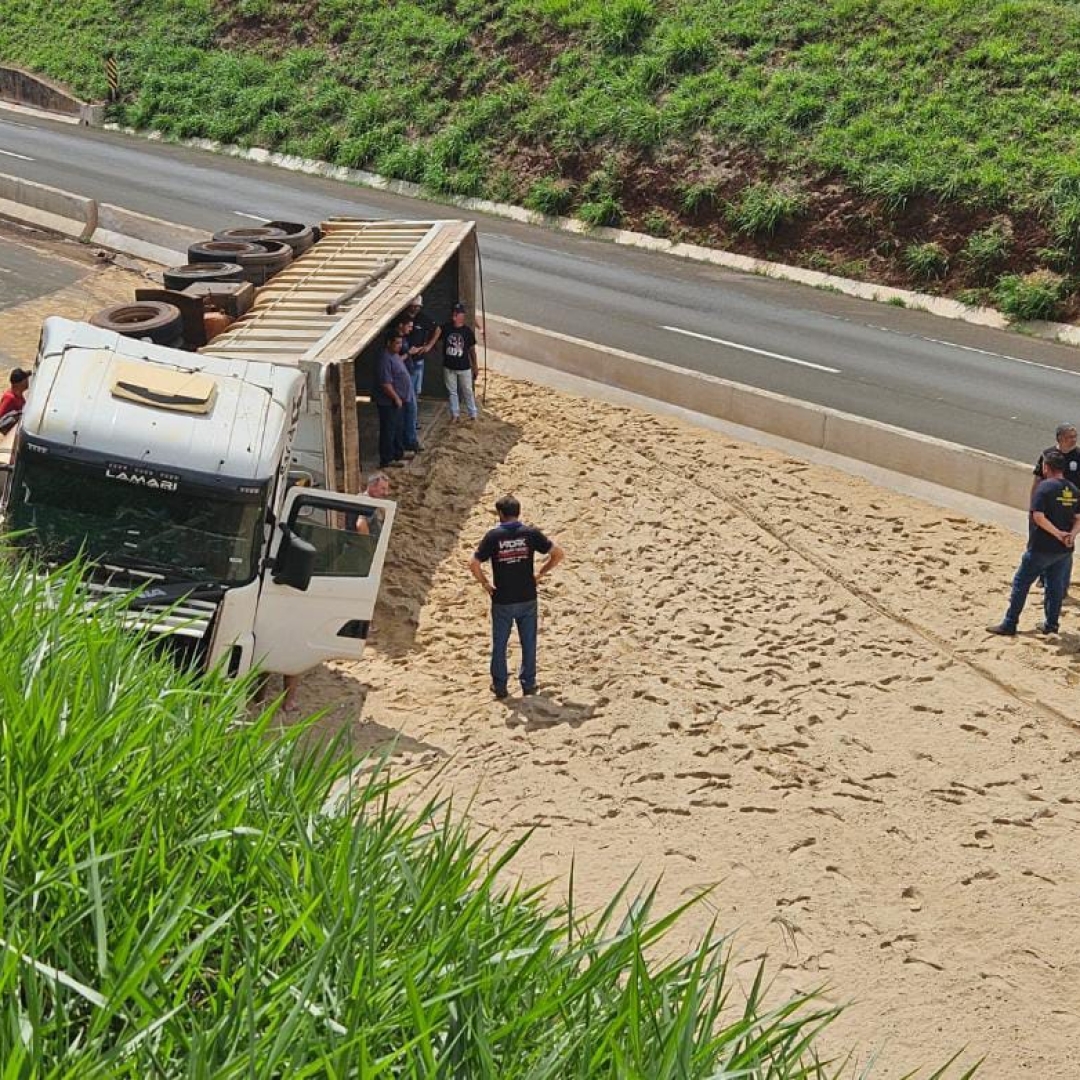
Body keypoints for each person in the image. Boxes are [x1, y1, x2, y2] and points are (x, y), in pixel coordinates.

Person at [469, 495, 564, 698]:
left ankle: (500, 685)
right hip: (527, 595)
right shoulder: (530, 533)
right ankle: (528, 683)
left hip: (503, 597)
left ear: (501, 514)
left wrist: (485, 583)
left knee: (500, 643)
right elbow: (558, 554)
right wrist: (540, 573)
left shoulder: (493, 536)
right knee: (528, 642)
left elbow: (474, 563)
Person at [988, 448, 1080, 636]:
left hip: (1042, 547)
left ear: (1046, 467)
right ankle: (1051, 625)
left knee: (1021, 583)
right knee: (1054, 587)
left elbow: (1038, 516)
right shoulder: (1073, 489)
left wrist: (1057, 533)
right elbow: (1078, 518)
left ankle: (1010, 623)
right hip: (1064, 550)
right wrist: (1071, 534)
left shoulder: (1044, 488)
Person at [374, 330, 414, 468]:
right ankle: (387, 459)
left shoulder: (395, 355)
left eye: (401, 343)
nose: (399, 345)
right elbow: (386, 383)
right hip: (389, 402)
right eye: (397, 343)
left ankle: (399, 453)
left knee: (398, 428)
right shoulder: (384, 359)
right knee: (388, 430)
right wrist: (396, 397)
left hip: (400, 400)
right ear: (389, 343)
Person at [404, 294, 440, 426]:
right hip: (405, 361)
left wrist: (429, 346)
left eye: (418, 307)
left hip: (418, 360)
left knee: (416, 391)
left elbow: (437, 329)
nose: (415, 309)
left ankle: (413, 419)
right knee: (407, 391)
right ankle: (409, 420)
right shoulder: (402, 318)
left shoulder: (423, 319)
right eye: (413, 306)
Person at [441, 302, 479, 421]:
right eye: (454, 313)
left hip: (464, 367)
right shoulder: (446, 328)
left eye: (458, 313)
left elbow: (472, 350)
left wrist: (475, 366)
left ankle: (473, 413)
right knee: (452, 391)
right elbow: (437, 336)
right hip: (449, 366)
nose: (455, 315)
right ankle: (455, 414)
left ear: (462, 316)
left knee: (467, 390)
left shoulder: (467, 331)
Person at [396, 314, 423, 454]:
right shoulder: (397, 342)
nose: (411, 329)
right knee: (410, 409)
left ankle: (410, 439)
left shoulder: (405, 338)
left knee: (411, 409)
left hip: (409, 374)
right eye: (409, 326)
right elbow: (394, 361)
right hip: (403, 379)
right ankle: (410, 440)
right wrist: (409, 353)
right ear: (401, 325)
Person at [0, 368, 30, 434]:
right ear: (18, 384)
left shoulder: (19, 396)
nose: (28, 380)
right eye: (25, 379)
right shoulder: (9, 398)